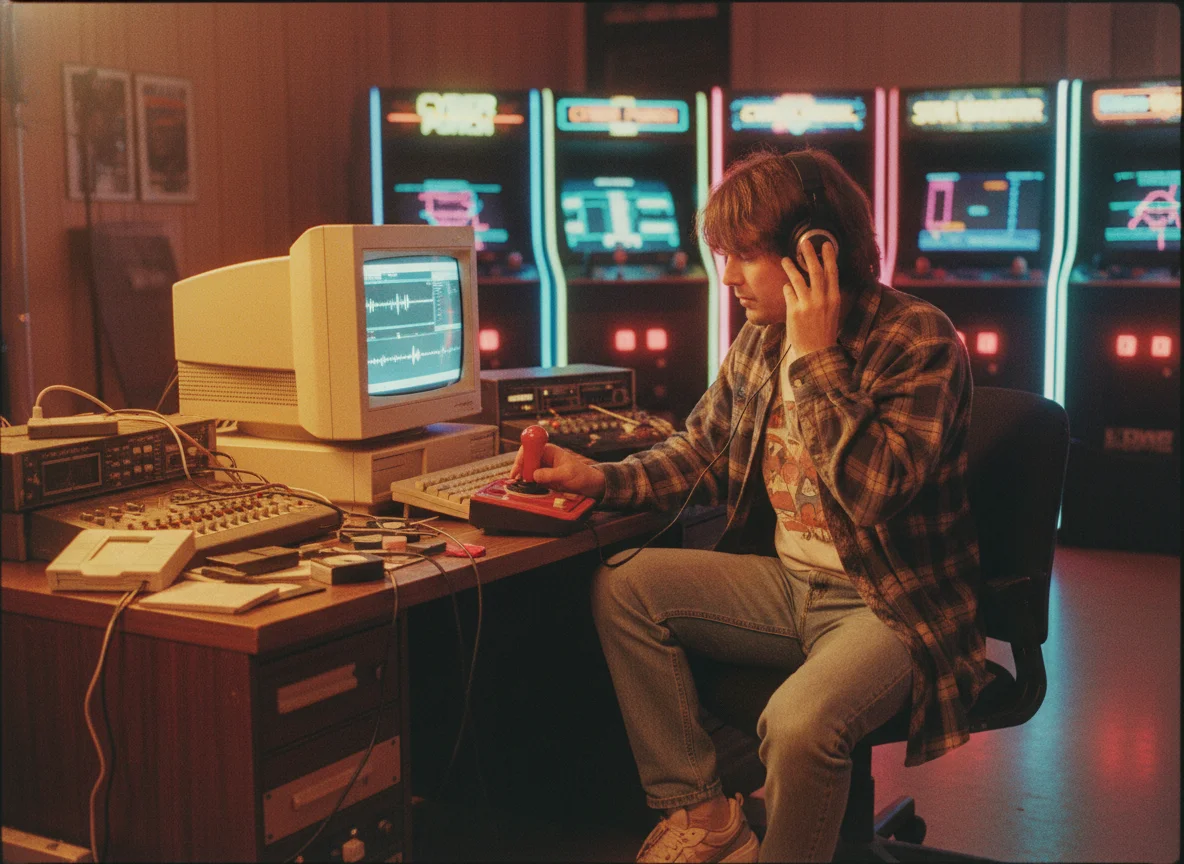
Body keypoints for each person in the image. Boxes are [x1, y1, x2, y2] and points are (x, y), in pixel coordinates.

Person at [511, 147, 991, 863]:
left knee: (798, 724)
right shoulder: (760, 339)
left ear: (815, 252)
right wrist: (598, 480)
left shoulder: (918, 339)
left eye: (743, 256)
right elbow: (701, 451)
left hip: (890, 606)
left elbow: (872, 494)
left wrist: (817, 357)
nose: (728, 277)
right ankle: (704, 815)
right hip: (788, 585)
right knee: (625, 585)